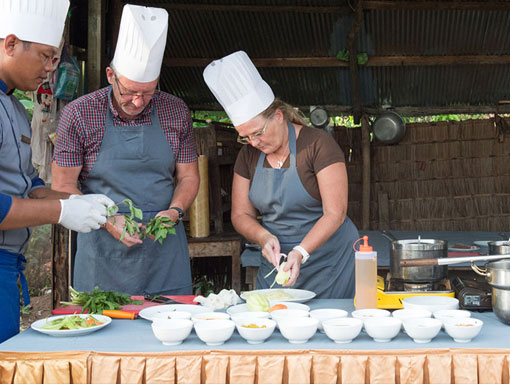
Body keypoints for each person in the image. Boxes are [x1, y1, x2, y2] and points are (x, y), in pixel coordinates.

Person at [52, 4, 199, 296]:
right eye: (129, 91)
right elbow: (62, 185)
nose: (137, 101)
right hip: (101, 251)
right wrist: (107, 220)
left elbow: (189, 177)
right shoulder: (79, 114)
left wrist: (174, 210)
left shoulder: (176, 111)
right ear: (110, 75)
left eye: (148, 92)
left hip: (164, 250)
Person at [0, 0, 114, 343]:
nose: (51, 68)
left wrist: (79, 200)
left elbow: (29, 185)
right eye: (45, 56)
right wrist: (62, 210)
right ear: (10, 44)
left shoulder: (15, 108)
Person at [203, 51, 359, 298]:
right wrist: (263, 237)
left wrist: (301, 252)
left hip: (328, 262)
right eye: (245, 137)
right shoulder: (248, 155)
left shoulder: (318, 145)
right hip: (277, 263)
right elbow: (240, 214)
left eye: (258, 133)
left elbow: (335, 213)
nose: (253, 142)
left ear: (278, 117)